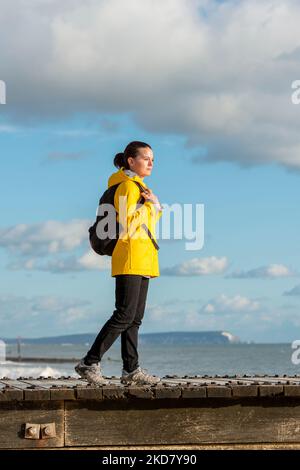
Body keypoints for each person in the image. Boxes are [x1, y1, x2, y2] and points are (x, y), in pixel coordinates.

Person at [75, 141, 163, 385]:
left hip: (144, 258)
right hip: (130, 255)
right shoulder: (126, 187)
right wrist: (150, 205)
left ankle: (131, 370)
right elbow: (129, 221)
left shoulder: (140, 188)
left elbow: (148, 224)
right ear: (131, 161)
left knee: (134, 319)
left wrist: (154, 204)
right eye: (146, 158)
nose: (150, 163)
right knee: (124, 315)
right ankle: (90, 362)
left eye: (153, 159)